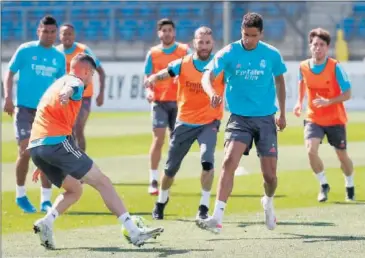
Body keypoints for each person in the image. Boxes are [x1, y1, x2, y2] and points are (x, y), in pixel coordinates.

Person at [29, 53, 163, 250]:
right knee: (103, 182)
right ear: (87, 71)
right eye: (91, 75)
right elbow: (73, 87)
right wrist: (67, 92)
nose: (90, 79)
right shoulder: (75, 82)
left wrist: (43, 160)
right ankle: (134, 232)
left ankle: (47, 223)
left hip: (37, 147)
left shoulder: (56, 83)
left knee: (75, 190)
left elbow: (49, 117)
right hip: (55, 144)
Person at [196, 12, 287, 233]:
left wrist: (282, 113)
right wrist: (211, 93)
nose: (248, 39)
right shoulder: (229, 52)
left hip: (266, 119)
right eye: (245, 34)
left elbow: (280, 81)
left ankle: (268, 200)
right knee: (228, 161)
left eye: (253, 35)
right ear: (241, 32)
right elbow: (206, 75)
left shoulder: (272, 55)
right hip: (239, 119)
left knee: (270, 176)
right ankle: (217, 218)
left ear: (261, 34)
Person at [145, 26, 225, 221]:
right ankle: (161, 201)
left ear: (212, 44)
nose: (204, 46)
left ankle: (204, 206)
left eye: (207, 42)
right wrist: (153, 79)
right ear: (194, 43)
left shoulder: (220, 65)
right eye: (201, 42)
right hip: (185, 122)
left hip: (209, 121)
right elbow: (166, 72)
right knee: (171, 168)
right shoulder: (183, 63)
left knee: (207, 161)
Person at [3, 15, 66, 213]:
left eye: (52, 32)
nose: (49, 35)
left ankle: (45, 200)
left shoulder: (58, 57)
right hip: (24, 108)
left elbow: (61, 84)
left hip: (47, 111)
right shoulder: (25, 50)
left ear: (56, 33)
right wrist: (7, 98)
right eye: (45, 31)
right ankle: (21, 194)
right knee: (26, 150)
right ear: (38, 31)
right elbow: (9, 72)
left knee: (45, 153)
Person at [293, 28, 354, 202]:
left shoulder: (335, 67)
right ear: (310, 47)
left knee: (342, 156)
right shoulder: (303, 67)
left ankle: (349, 183)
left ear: (327, 47)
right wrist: (299, 102)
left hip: (335, 119)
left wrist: (329, 102)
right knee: (311, 151)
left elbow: (348, 93)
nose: (318, 48)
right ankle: (323, 184)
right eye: (315, 45)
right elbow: (302, 83)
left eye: (322, 45)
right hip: (314, 118)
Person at [144, 18, 191, 195]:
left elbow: (192, 68)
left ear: (174, 32)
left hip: (180, 102)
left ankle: (168, 176)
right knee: (158, 139)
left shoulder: (183, 50)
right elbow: (147, 76)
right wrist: (148, 90)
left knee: (176, 142)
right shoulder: (153, 53)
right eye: (164, 30)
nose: (167, 33)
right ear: (159, 33)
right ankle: (153, 179)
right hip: (159, 101)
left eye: (170, 30)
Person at [57, 23, 106, 151]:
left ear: (74, 35)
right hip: (64, 97)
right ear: (59, 36)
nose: (67, 36)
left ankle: (82, 163)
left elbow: (101, 71)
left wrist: (101, 93)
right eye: (64, 33)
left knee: (78, 127)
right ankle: (71, 159)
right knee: (67, 131)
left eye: (70, 34)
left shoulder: (83, 50)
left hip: (84, 96)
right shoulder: (55, 52)